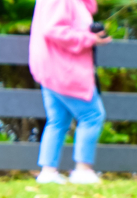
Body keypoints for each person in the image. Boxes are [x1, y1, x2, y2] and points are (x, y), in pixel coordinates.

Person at [29, 0, 110, 185]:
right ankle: (82, 170)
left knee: (57, 120)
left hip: (50, 68)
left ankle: (48, 173)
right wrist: (89, 39)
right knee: (92, 115)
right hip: (64, 68)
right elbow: (54, 30)